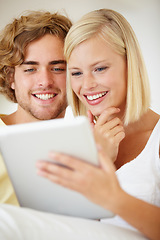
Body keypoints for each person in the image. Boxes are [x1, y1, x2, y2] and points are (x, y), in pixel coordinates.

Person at [36, 9, 160, 240]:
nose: (87, 85)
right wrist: (94, 156)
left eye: (100, 69)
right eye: (76, 73)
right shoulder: (71, 133)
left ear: (129, 64)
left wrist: (111, 196)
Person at [0, 10, 72, 205]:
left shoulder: (88, 146)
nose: (45, 81)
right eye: (30, 69)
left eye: (58, 68)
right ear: (10, 78)